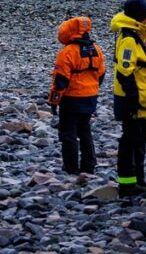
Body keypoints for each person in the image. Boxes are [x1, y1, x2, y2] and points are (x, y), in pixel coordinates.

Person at [48, 16, 106, 175]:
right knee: (85, 130)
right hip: (90, 98)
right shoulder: (97, 50)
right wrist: (92, 90)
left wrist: (54, 101)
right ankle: (89, 165)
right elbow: (100, 75)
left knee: (68, 133)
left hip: (71, 99)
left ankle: (71, 167)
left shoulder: (67, 52)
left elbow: (60, 80)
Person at [111, 0, 146, 197]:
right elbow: (125, 72)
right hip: (131, 98)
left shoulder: (139, 34)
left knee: (141, 137)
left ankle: (139, 179)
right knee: (130, 139)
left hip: (141, 96)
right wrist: (133, 99)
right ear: (138, 16)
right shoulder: (129, 38)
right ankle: (127, 184)